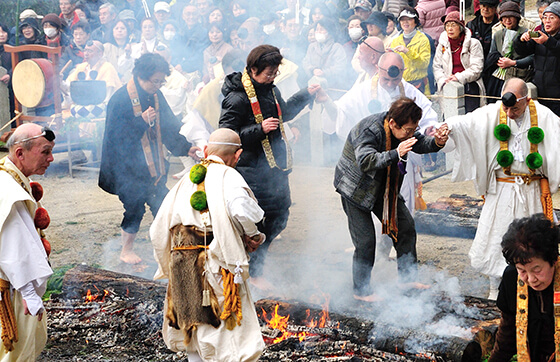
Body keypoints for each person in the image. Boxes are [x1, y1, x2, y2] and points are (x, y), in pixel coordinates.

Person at [151, 128, 266, 362]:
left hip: (181, 262)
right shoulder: (228, 175)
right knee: (223, 332)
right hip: (212, 263)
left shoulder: (186, 179)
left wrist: (170, 262)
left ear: (205, 150)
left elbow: (157, 229)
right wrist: (252, 235)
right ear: (238, 154)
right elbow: (242, 211)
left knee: (192, 326)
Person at [442, 77, 560, 299]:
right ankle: (495, 290)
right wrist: (447, 127)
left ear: (526, 100)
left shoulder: (544, 116)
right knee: (496, 239)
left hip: (532, 190)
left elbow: (557, 139)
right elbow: (467, 123)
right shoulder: (493, 112)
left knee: (533, 243)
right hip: (501, 190)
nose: (509, 112)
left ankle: (535, 288)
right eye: (506, 106)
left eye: (514, 108)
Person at [219, 44, 323, 290]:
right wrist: (259, 129)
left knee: (280, 217)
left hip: (275, 168)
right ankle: (252, 272)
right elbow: (227, 134)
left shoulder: (270, 89)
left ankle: (251, 265)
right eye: (269, 73)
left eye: (275, 72)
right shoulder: (237, 96)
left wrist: (306, 93)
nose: (273, 77)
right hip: (250, 170)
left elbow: (283, 113)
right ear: (253, 69)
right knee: (258, 222)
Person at [334, 97, 449, 302]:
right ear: (393, 123)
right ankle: (361, 291)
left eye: (413, 129)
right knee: (366, 242)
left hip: (385, 188)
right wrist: (396, 152)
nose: (410, 134)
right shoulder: (369, 130)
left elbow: (420, 142)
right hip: (355, 189)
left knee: (405, 227)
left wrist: (437, 142)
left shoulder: (404, 130)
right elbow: (366, 161)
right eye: (407, 130)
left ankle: (407, 278)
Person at [99, 53, 199, 264]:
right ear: (141, 76)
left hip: (152, 165)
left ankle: (174, 246)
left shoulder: (155, 95)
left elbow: (169, 126)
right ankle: (126, 250)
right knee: (134, 206)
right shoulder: (120, 99)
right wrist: (141, 122)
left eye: (162, 81)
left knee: (164, 203)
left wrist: (186, 148)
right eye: (156, 81)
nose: (159, 85)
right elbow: (116, 140)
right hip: (125, 167)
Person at [0, 123, 55, 361]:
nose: (51, 158)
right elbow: (12, 245)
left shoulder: (10, 175)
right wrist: (29, 293)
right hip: (12, 288)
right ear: (20, 153)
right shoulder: (7, 188)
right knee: (16, 352)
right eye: (45, 151)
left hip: (14, 283)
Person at [488, 214, 558, 361]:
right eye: (523, 270)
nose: (531, 280)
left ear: (553, 260)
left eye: (537, 270)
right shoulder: (512, 277)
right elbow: (508, 332)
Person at [514, 1, 560, 117]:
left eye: (552, 17)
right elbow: (522, 52)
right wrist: (521, 40)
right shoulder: (539, 34)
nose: (547, 21)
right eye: (545, 17)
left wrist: (548, 42)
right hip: (539, 91)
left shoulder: (546, 39)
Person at [434, 11, 485, 113]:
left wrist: (458, 77)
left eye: (453, 25)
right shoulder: (443, 44)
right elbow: (437, 66)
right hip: (448, 84)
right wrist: (443, 80)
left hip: (470, 86)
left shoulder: (473, 43)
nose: (450, 29)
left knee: (470, 120)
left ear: (461, 27)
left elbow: (477, 68)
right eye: (447, 25)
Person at [484, 1, 533, 100]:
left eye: (511, 17)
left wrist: (513, 62)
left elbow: (532, 57)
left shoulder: (526, 33)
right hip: (500, 78)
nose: (507, 20)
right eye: (504, 17)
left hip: (520, 76)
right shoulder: (498, 34)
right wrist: (500, 61)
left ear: (517, 18)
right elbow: (491, 54)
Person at [390, 7, 431, 93]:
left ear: (415, 21)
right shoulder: (395, 41)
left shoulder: (423, 39)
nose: (405, 22)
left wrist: (407, 52)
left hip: (419, 85)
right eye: (402, 20)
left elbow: (424, 64)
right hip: (400, 85)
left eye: (409, 19)